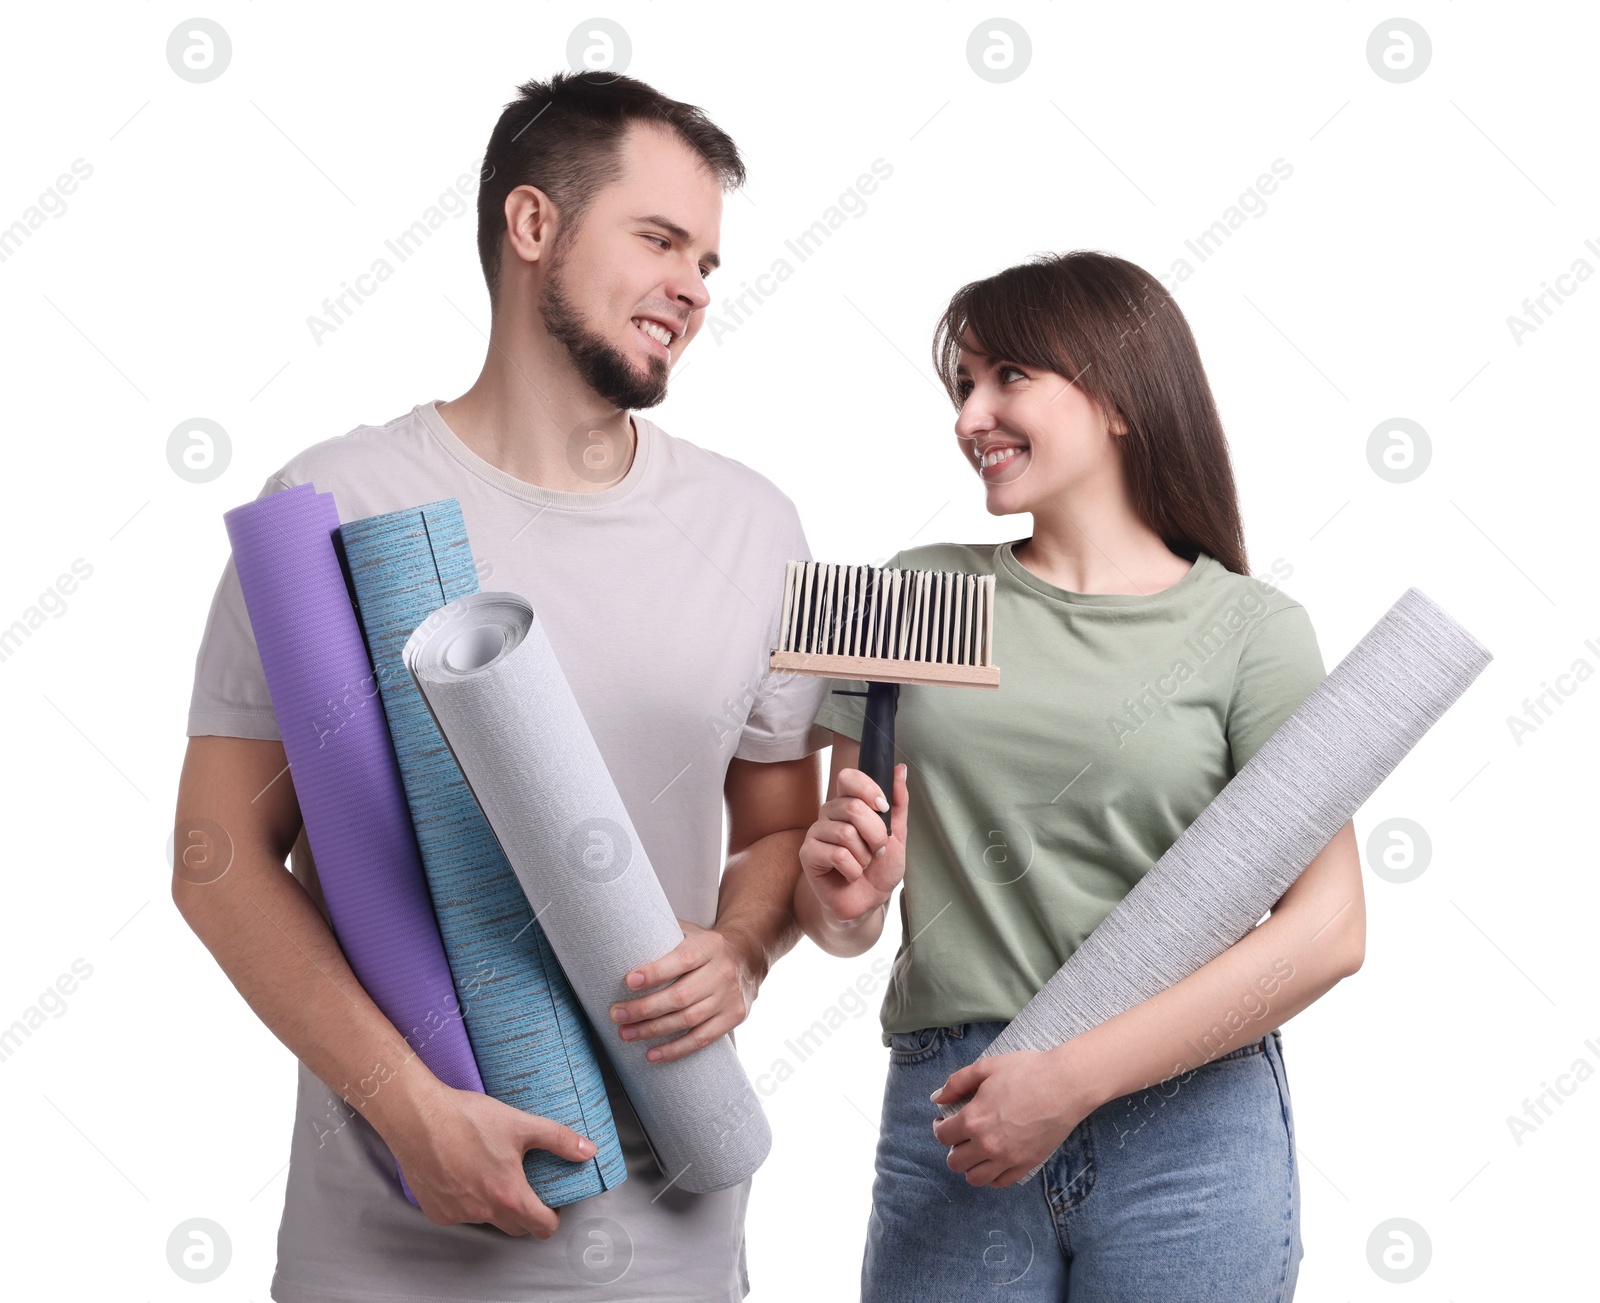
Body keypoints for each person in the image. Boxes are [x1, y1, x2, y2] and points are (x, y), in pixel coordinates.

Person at [173, 71, 830, 1303]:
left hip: (669, 1233)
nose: (693, 285)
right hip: (381, 1241)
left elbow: (783, 829)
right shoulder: (335, 508)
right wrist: (410, 1109)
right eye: (658, 239)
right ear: (533, 227)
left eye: (708, 260)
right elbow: (215, 856)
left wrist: (741, 949)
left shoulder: (752, 526)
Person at [794, 251, 1366, 1301]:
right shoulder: (917, 593)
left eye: (1007, 375)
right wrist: (837, 902)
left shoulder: (1249, 632)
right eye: (962, 384)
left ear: (1117, 395)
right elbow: (843, 921)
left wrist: (1067, 1080)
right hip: (956, 1111)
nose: (971, 415)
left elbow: (1328, 929)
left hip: (1187, 1125)